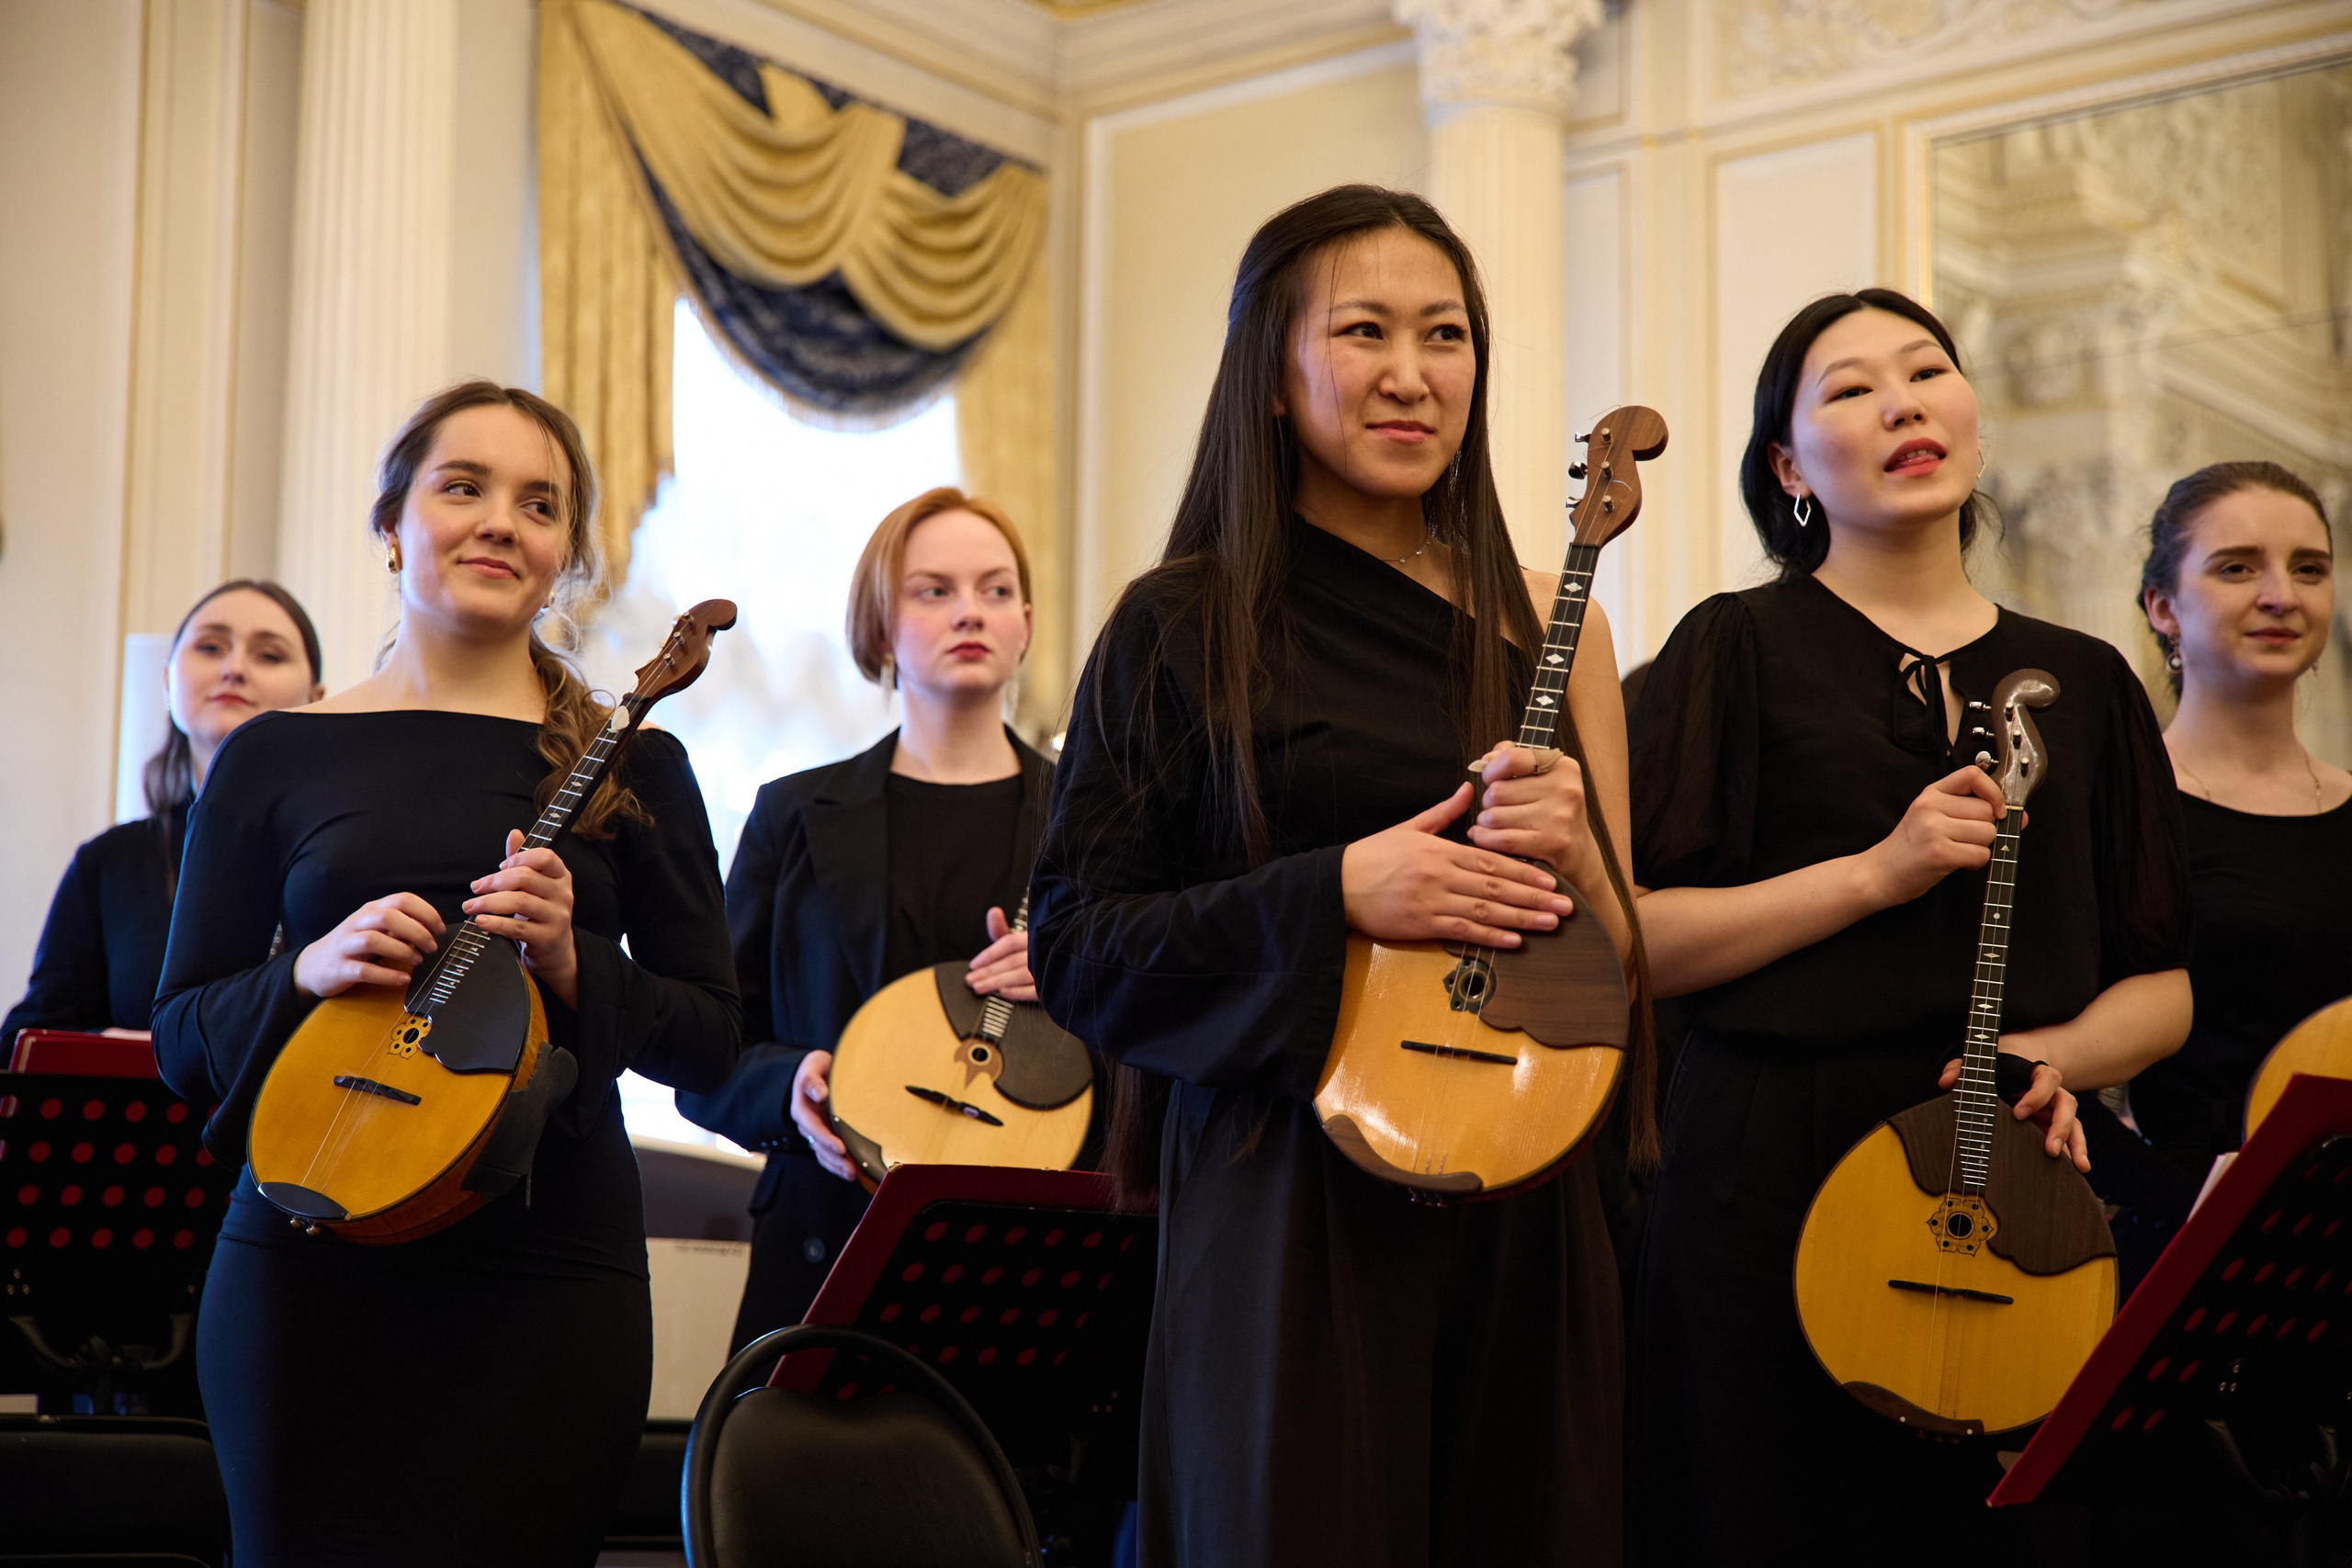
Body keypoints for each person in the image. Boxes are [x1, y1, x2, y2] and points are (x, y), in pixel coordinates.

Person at [1030, 185, 1649, 1568]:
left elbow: (1621, 961)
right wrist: (1337, 894)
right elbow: (1075, 946)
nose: (1411, 373)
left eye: (1446, 335)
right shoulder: (1179, 622)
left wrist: (1585, 867)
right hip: (1282, 1192)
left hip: (1527, 1187)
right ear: (1271, 373)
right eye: (1364, 330)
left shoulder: (1556, 622)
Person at [1626, 288, 2191, 1562]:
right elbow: (1642, 942)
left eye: (1927, 371)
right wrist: (1875, 873)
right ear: (1788, 466)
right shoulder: (1731, 646)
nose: (1902, 403)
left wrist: (2056, 1060)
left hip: (2009, 1169)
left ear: (1972, 419)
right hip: (1762, 1166)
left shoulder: (2091, 677)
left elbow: (2165, 981)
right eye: (1848, 388)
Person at [152, 381, 740, 1565]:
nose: (497, 522)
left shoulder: (643, 765)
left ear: (565, 554)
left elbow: (713, 1044)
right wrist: (307, 970)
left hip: (547, 1276)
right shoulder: (274, 756)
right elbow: (179, 1033)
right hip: (304, 1265)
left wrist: (577, 964)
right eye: (460, 487)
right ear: (391, 525)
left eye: (537, 504)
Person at [677, 486, 1065, 1349]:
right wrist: (789, 1084)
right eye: (935, 590)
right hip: (826, 1239)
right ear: (881, 627)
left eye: (996, 590)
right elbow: (705, 1049)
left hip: (1031, 1254)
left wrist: (1082, 978)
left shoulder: (1095, 821)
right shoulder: (793, 815)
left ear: (1027, 623)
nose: (971, 610)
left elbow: (1167, 1044)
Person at [2085, 462, 2351, 1279]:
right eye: (2237, 566)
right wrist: (2186, 1185)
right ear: (2163, 606)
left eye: (2309, 568)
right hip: (2189, 1247)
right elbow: (2026, 1074)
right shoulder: (2116, 813)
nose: (2282, 594)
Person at [4, 581, 322, 1042]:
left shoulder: (343, 854)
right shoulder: (109, 862)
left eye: (269, 656)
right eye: (211, 647)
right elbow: (23, 1039)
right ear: (168, 681)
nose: (233, 669)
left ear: (316, 698)